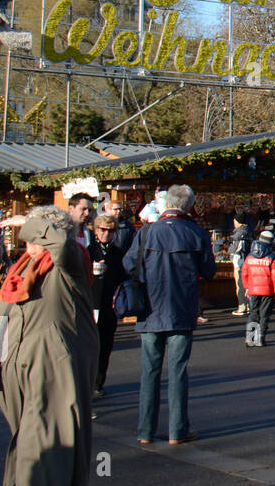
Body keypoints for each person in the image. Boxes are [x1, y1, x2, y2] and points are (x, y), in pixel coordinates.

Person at [0, 206, 99, 486]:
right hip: (19, 366)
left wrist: (31, 223)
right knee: (33, 445)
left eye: (34, 232)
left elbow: (61, 244)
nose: (25, 239)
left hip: (52, 369)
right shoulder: (24, 266)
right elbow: (7, 313)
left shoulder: (70, 261)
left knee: (41, 446)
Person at [123, 184, 215, 446]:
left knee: (149, 372)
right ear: (189, 206)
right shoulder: (196, 233)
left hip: (149, 310)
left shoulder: (147, 233)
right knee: (177, 372)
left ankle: (145, 430)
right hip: (181, 310)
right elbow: (208, 271)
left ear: (166, 204)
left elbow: (129, 264)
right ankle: (178, 430)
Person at [87, 214, 127, 397]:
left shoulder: (118, 253)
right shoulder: (88, 250)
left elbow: (124, 277)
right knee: (88, 345)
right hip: (90, 304)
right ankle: (86, 381)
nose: (106, 234)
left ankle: (98, 382)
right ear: (96, 230)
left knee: (105, 345)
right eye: (103, 230)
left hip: (109, 305)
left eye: (110, 231)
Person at [241, 231, 275, 346]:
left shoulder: (249, 257)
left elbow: (244, 273)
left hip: (253, 290)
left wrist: (246, 287)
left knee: (253, 313)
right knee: (264, 315)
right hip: (267, 291)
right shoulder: (272, 258)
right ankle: (260, 338)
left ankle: (250, 338)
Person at [228, 213, 251, 317]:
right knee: (247, 284)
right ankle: (249, 306)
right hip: (247, 261)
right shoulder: (248, 232)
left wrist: (230, 250)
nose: (234, 223)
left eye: (235, 221)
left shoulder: (239, 234)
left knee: (240, 284)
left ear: (238, 221)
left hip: (240, 261)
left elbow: (237, 249)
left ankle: (242, 307)